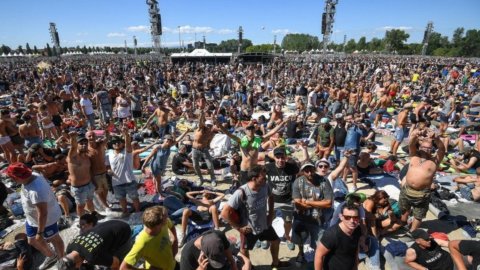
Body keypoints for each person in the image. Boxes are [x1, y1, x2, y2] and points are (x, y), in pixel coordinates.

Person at [220, 166, 290, 269]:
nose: (266, 179)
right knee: (244, 250)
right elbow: (225, 213)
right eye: (263, 177)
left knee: (276, 241)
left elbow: (271, 198)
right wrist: (238, 228)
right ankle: (249, 266)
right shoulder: (241, 192)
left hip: (264, 224)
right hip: (249, 228)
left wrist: (270, 216)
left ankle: (276, 263)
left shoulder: (265, 186)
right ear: (254, 178)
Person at [5, 162, 64, 270]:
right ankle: (51, 256)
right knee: (32, 241)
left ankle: (62, 261)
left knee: (55, 239)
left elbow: (43, 213)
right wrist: (43, 166)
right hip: (32, 218)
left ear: (17, 177)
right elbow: (32, 167)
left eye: (12, 178)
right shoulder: (33, 174)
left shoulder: (36, 191)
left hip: (47, 220)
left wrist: (40, 233)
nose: (11, 181)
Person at [399, 127, 445, 231]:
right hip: (407, 190)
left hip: (422, 194)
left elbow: (442, 150)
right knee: (404, 209)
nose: (426, 149)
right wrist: (415, 135)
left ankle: (413, 232)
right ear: (420, 147)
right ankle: (402, 225)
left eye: (429, 148)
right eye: (424, 147)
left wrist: (437, 139)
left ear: (432, 149)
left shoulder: (435, 161)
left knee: (418, 215)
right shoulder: (414, 155)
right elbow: (411, 144)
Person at [265, 144, 308, 251]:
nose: (280, 160)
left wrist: (305, 149)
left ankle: (287, 237)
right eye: (278, 157)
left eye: (282, 157)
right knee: (268, 220)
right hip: (272, 200)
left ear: (286, 157)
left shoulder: (292, 167)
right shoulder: (268, 167)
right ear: (274, 158)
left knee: (288, 221)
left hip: (288, 200)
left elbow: (305, 162)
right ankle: (266, 237)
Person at [292, 162, 333, 265]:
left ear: (314, 169)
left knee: (319, 243)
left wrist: (307, 202)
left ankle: (318, 260)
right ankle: (301, 254)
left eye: (311, 170)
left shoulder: (324, 181)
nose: (309, 173)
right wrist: (319, 203)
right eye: (306, 170)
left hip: (319, 218)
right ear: (303, 171)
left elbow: (328, 203)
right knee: (300, 238)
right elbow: (297, 204)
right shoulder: (298, 182)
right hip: (301, 217)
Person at [58, 220, 133, 270]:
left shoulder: (93, 257)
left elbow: (116, 263)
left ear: (77, 264)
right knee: (104, 256)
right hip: (111, 223)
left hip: (124, 230)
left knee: (119, 261)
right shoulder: (70, 247)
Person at [121, 206, 178, 270]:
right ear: (159, 225)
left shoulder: (163, 222)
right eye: (166, 217)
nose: (167, 218)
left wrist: (175, 240)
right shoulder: (142, 243)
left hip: (173, 264)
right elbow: (123, 268)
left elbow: (172, 227)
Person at [314, 204, 363, 270]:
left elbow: (356, 248)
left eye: (355, 217)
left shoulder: (357, 229)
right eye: (347, 217)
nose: (352, 221)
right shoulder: (332, 234)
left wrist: (355, 266)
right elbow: (318, 255)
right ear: (341, 217)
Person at [107, 127, 140, 214]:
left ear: (122, 144)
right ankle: (125, 212)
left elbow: (128, 144)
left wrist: (126, 135)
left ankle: (137, 212)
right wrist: (109, 170)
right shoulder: (109, 153)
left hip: (129, 181)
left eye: (118, 142)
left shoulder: (126, 152)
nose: (116, 143)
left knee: (134, 198)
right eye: (114, 142)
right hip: (116, 182)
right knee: (121, 199)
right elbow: (107, 166)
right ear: (112, 145)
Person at [67, 132, 95, 217]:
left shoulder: (86, 156)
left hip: (89, 184)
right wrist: (73, 138)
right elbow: (73, 147)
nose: (84, 145)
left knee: (90, 201)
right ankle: (82, 221)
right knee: (80, 206)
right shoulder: (73, 157)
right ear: (77, 145)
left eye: (85, 144)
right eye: (81, 143)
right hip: (79, 188)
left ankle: (93, 216)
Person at [86, 130, 111, 212]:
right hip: (95, 174)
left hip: (104, 172)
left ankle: (104, 202)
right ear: (86, 137)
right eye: (89, 136)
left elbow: (107, 138)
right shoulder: (86, 150)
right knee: (99, 191)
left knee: (106, 189)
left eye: (93, 135)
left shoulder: (100, 144)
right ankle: (106, 206)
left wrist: (106, 131)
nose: (91, 137)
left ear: (96, 136)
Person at [192, 112, 217, 186]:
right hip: (195, 149)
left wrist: (209, 147)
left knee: (210, 165)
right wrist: (201, 114)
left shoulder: (211, 133)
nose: (209, 127)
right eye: (208, 125)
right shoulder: (200, 129)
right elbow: (200, 122)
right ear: (205, 125)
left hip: (204, 149)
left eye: (210, 125)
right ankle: (200, 178)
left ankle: (213, 178)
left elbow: (209, 142)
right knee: (195, 165)